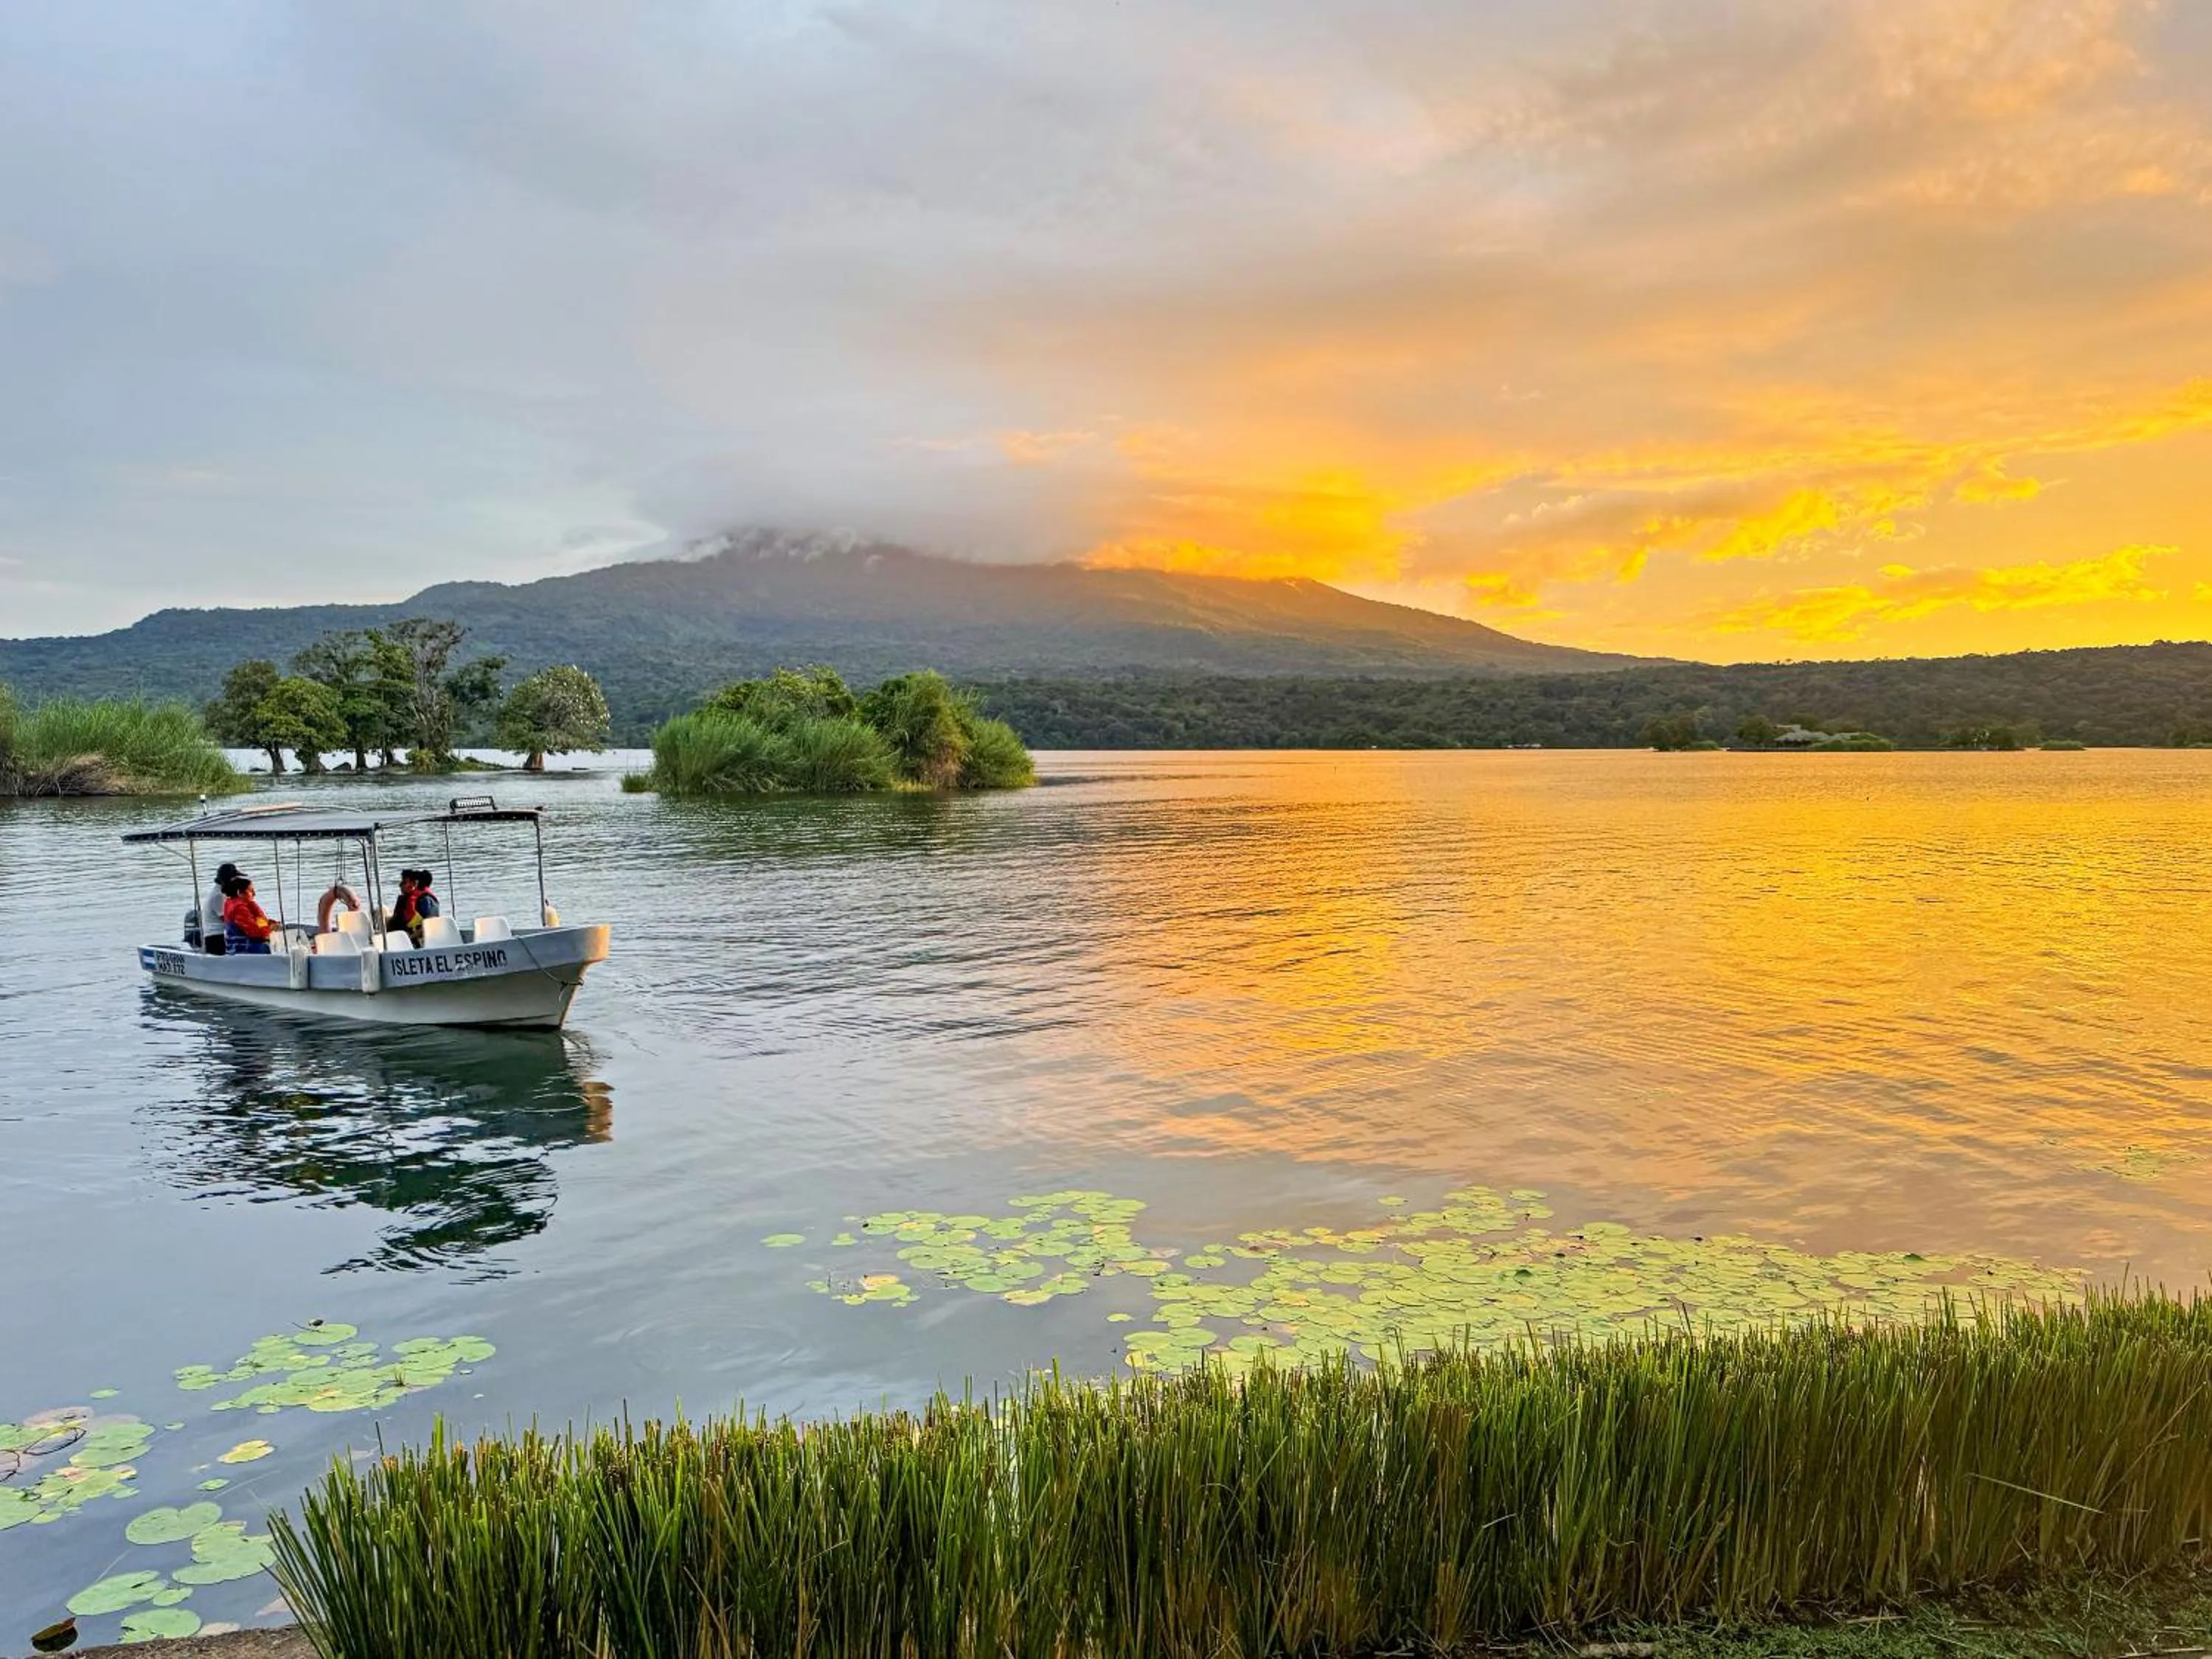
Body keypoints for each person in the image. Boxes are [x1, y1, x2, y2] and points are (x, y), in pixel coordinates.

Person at [221, 874, 278, 955]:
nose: (254, 894)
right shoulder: (239, 908)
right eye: (251, 891)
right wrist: (271, 928)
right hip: (246, 950)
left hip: (234, 948)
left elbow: (257, 922)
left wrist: (268, 923)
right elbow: (257, 933)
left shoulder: (229, 902)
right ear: (240, 893)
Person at [201, 861, 245, 955]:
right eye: (234, 879)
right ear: (228, 880)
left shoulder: (222, 893)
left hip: (221, 936)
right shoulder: (218, 896)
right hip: (216, 938)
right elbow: (228, 920)